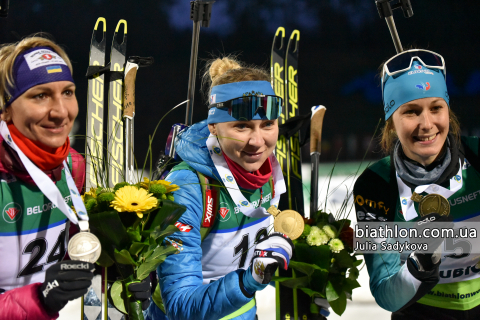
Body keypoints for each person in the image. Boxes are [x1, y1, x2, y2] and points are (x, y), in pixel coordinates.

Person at [145, 57, 294, 320]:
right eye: (242, 126)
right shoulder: (188, 186)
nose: (257, 141)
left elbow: (243, 256)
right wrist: (251, 279)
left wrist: (308, 281)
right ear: (213, 126)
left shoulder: (264, 169)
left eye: (267, 124)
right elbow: (180, 305)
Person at [354, 49, 480, 319]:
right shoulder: (373, 184)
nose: (427, 124)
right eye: (411, 111)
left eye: (436, 108)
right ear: (391, 123)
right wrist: (421, 259)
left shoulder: (476, 157)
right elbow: (384, 293)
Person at [0, 36, 96, 319]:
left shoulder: (73, 166)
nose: (61, 112)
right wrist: (39, 298)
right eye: (40, 95)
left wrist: (123, 270)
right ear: (6, 108)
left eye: (67, 92)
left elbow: (75, 256)